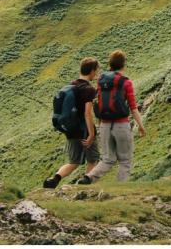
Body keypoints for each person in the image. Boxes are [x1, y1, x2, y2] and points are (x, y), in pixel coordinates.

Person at [77, 50, 146, 184]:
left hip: (104, 125)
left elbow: (99, 101)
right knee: (125, 160)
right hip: (121, 125)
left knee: (107, 159)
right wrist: (141, 126)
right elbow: (133, 107)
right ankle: (120, 189)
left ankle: (88, 177)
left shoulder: (101, 80)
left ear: (110, 63)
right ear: (124, 64)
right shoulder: (126, 83)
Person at [43, 57, 100, 188]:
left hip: (71, 130)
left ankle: (54, 179)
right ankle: (86, 185)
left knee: (74, 161)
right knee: (93, 158)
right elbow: (87, 113)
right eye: (95, 71)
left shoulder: (71, 86)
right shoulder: (88, 89)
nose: (96, 74)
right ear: (92, 71)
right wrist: (91, 134)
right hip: (84, 130)